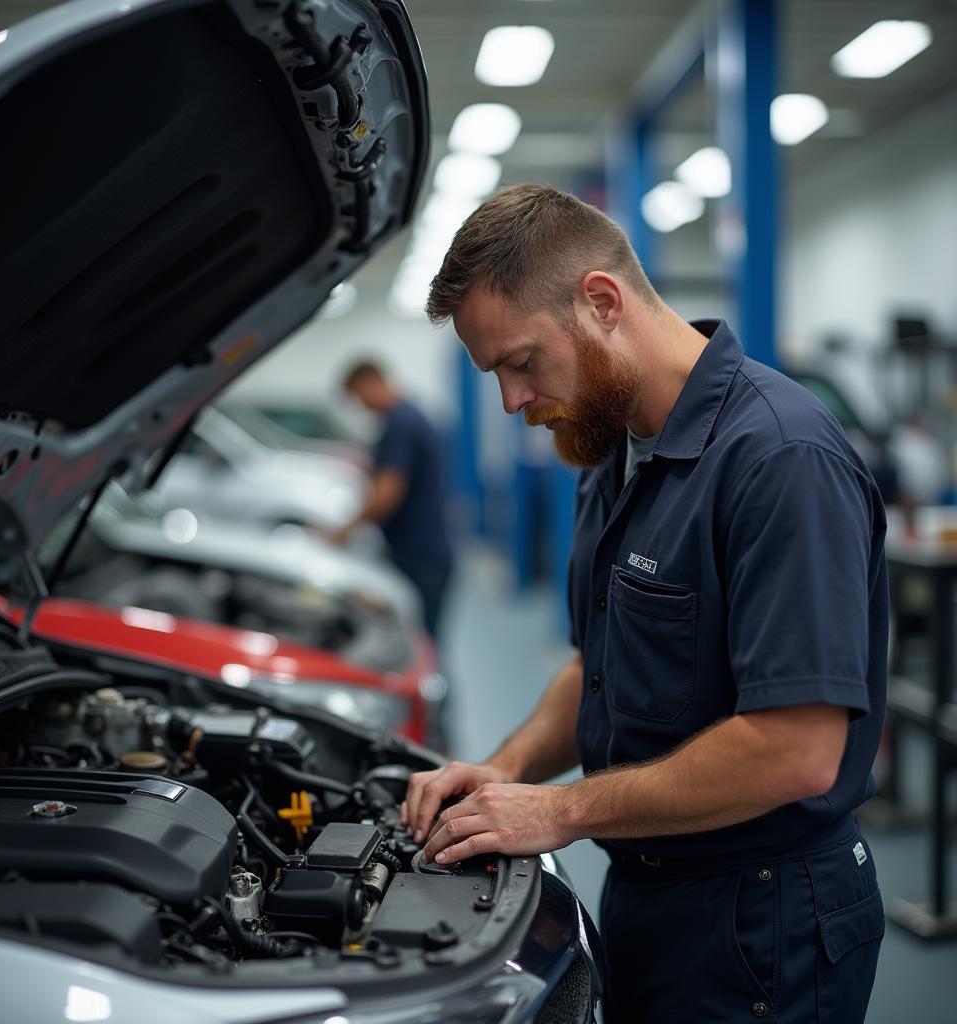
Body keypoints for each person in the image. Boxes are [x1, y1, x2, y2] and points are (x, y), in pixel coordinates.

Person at [401, 185, 887, 1023]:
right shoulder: (613, 450)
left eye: (521, 362)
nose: (513, 402)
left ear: (600, 301)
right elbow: (599, 664)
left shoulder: (779, 458)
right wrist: (508, 770)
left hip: (765, 922)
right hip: (651, 892)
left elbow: (795, 753)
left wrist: (559, 810)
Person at [331, 360, 454, 639]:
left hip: (419, 557)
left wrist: (343, 531)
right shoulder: (407, 417)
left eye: (357, 398)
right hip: (422, 552)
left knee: (420, 651)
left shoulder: (400, 424)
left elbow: (387, 494)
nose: (360, 407)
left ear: (369, 384)